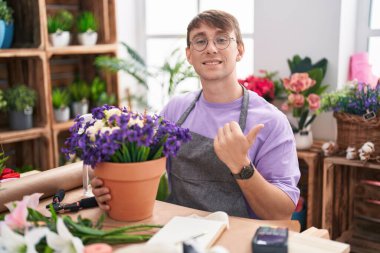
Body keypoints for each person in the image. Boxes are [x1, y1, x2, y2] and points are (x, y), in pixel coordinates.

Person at [91, 10, 300, 220]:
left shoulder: (271, 122)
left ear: (239, 51)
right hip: (177, 230)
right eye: (200, 41)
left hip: (237, 239)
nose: (210, 48)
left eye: (221, 39)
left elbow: (281, 211)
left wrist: (241, 166)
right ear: (189, 54)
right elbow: (139, 166)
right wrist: (110, 187)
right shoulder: (176, 109)